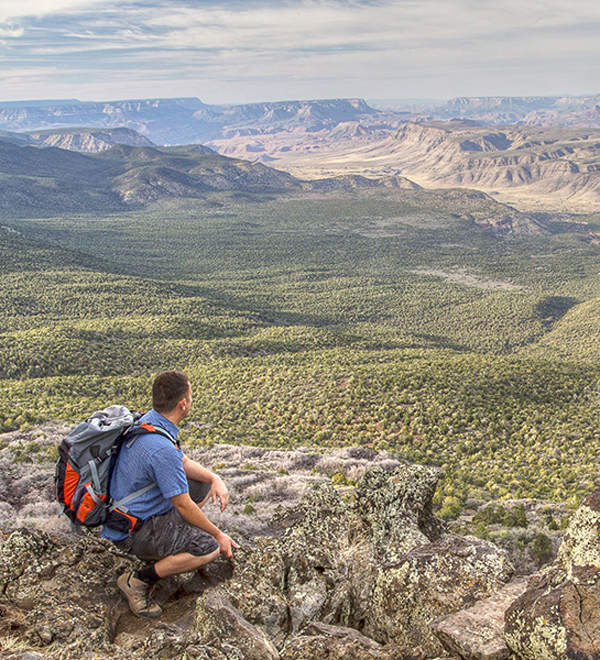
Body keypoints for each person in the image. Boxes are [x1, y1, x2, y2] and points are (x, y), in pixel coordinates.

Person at [101, 370, 239, 618]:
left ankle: (172, 542)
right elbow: (184, 505)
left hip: (132, 512)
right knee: (208, 548)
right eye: (191, 395)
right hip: (133, 531)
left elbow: (182, 461)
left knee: (200, 484)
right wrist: (219, 535)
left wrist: (213, 478)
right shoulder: (160, 449)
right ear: (182, 404)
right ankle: (138, 581)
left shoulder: (149, 422)